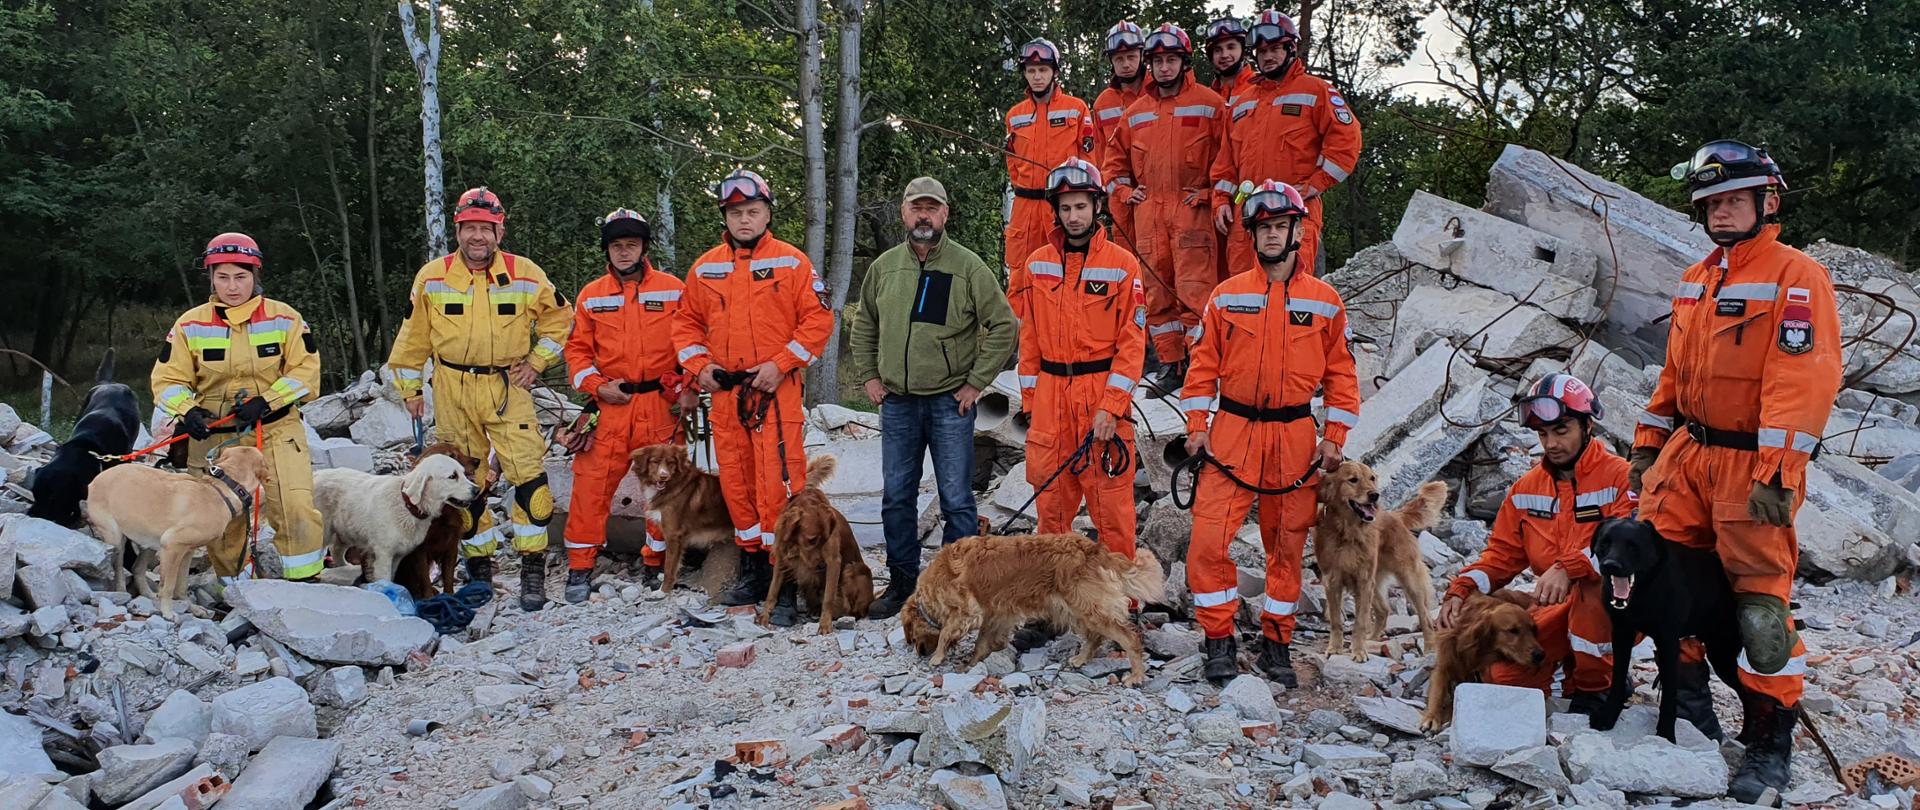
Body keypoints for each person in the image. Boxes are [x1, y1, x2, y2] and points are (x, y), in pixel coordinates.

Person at [1632, 140, 1841, 802]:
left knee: (1760, 613)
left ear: (1766, 202)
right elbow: (1674, 371)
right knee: (1667, 583)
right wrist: (1649, 440)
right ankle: (1690, 705)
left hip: (1752, 464)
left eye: (1732, 201)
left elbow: (1802, 377)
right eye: (1711, 203)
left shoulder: (1795, 276)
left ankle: (1768, 739)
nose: (1721, 213)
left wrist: (1778, 471)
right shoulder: (1697, 278)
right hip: (1688, 457)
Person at [1179, 180, 1358, 686]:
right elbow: (1202, 367)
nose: (1272, 236)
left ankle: (1276, 643)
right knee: (1208, 541)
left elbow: (1342, 374)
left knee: (1286, 546)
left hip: (1296, 436)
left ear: (1297, 231)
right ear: (1253, 236)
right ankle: (1218, 638)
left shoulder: (1324, 301)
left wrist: (1335, 437)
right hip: (1232, 432)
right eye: (1264, 228)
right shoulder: (1226, 296)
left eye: (1281, 226)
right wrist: (1197, 425)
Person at [387, 187, 573, 611]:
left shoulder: (526, 274)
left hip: (508, 387)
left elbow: (561, 318)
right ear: (458, 230)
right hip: (452, 387)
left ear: (499, 231)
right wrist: (411, 390)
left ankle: (531, 571)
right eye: (470, 228)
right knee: (466, 484)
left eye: (485, 229)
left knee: (530, 482)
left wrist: (537, 362)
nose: (478, 237)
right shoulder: (432, 277)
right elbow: (411, 339)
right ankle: (480, 566)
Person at [849, 177, 1018, 619]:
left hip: (950, 403)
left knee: (957, 499)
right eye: (915, 208)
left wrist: (976, 382)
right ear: (904, 213)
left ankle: (957, 591)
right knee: (897, 496)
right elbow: (864, 323)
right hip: (899, 404)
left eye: (932, 208)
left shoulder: (968, 267)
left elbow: (1004, 326)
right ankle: (903, 585)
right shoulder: (885, 268)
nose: (923, 216)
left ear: (945, 215)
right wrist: (869, 375)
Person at [672, 169, 834, 624]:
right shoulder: (706, 267)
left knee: (779, 485)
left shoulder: (792, 262)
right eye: (736, 213)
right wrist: (701, 368)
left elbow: (818, 323)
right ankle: (752, 571)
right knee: (737, 483)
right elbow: (684, 325)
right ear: (726, 216)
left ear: (767, 214)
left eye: (753, 211)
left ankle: (785, 582)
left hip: (775, 392)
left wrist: (780, 364)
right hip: (726, 393)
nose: (745, 220)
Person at [1437, 373, 1633, 710]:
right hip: (1559, 603)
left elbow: (1630, 547)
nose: (1552, 443)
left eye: (1561, 431)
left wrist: (1570, 568)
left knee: (1591, 592)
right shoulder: (1526, 491)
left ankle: (1597, 688)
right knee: (1504, 678)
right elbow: (1500, 556)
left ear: (1588, 427)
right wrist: (1462, 588)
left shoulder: (1621, 477)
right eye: (1543, 434)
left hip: (1621, 599)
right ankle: (1575, 670)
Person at [152, 232, 325, 588]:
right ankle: (231, 590)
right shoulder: (190, 324)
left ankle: (305, 585)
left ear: (255, 276)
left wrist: (269, 401)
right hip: (216, 435)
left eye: (241, 277)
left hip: (275, 430)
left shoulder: (285, 319)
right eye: (223, 277)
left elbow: (306, 373)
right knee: (221, 519)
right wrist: (188, 412)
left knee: (294, 507)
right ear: (212, 277)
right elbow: (166, 380)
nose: (233, 287)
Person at [1008, 157, 1146, 560]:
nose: (1073, 216)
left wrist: (1112, 407)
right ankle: (1053, 603)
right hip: (1050, 398)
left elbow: (1132, 344)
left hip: (1100, 394)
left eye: (1081, 206)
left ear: (1097, 206)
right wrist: (1033, 405)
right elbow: (1029, 341)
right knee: (1050, 507)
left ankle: (1122, 602)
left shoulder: (1122, 265)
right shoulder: (1037, 264)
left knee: (1112, 508)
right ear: (1055, 209)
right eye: (1065, 207)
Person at [560, 208, 696, 602]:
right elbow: (577, 352)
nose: (624, 253)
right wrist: (598, 387)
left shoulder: (673, 289)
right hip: (611, 405)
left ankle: (656, 564)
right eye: (617, 246)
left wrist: (687, 387)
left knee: (665, 486)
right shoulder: (591, 295)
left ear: (644, 248)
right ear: (608, 251)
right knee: (590, 485)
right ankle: (580, 568)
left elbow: (690, 342)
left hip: (659, 404)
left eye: (631, 245)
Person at [1104, 23, 1228, 394]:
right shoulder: (1137, 112)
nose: (1164, 68)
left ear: (1184, 62)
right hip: (1149, 220)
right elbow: (1113, 164)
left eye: (1171, 60)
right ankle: (1171, 366)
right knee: (1156, 295)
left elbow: (1229, 161)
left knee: (1195, 293)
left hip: (1192, 215)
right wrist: (1126, 194)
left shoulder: (1210, 104)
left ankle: (1199, 367)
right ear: (1150, 64)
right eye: (1158, 61)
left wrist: (1209, 195)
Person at [1209, 9, 1361, 276]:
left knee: (1292, 290)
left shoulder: (1317, 91)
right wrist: (1221, 200)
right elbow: (1227, 161)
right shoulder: (1243, 102)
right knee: (1244, 294)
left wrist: (1315, 184)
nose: (1268, 56)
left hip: (1294, 212)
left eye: (1276, 49)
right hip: (1247, 215)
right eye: (1262, 50)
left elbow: (1347, 141)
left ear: (1291, 48)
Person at [1004, 38, 1095, 277]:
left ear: (1054, 72)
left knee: (1066, 271)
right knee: (1020, 276)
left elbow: (1088, 161)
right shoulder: (1015, 115)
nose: (1037, 77)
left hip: (1060, 206)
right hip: (1024, 210)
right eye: (1031, 71)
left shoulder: (1076, 109)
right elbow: (1012, 163)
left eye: (1043, 70)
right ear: (1024, 74)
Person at [1092, 21, 1147, 247]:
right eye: (1119, 59)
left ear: (1142, 55)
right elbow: (1101, 158)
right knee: (1127, 261)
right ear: (1111, 61)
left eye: (1131, 57)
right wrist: (1115, 193)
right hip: (1121, 201)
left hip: (1156, 193)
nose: (1125, 64)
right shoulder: (1103, 104)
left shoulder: (1160, 93)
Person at [1203, 17, 1251, 106]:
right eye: (1217, 50)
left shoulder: (1262, 87)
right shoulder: (1204, 97)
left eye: (1231, 47)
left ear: (1243, 50)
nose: (1224, 55)